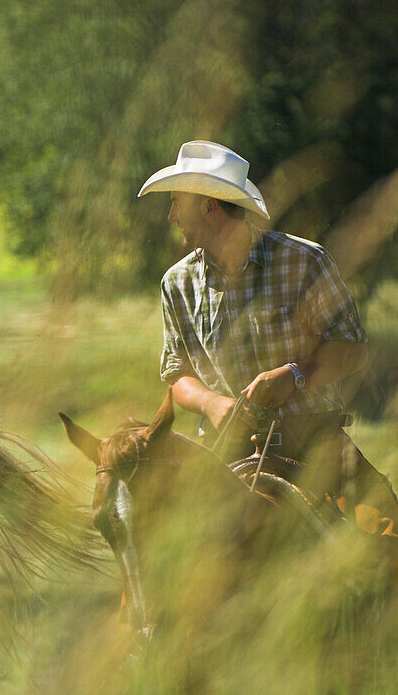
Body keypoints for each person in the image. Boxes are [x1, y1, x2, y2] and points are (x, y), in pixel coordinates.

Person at [139, 140, 397, 537]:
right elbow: (176, 376)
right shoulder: (177, 283)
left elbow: (353, 350)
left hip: (315, 443)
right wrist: (211, 403)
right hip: (223, 455)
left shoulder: (306, 260)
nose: (171, 216)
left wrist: (295, 374)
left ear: (208, 206)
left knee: (385, 536)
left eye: (177, 203)